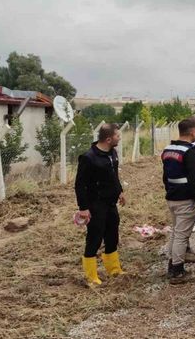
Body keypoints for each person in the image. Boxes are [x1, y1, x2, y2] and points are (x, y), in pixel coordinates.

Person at [75, 123, 126, 287]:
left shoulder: (113, 153)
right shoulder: (89, 158)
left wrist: (120, 191)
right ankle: (91, 277)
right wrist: (83, 208)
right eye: (118, 136)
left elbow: (114, 175)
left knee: (112, 235)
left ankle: (114, 269)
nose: (120, 138)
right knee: (95, 238)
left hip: (111, 202)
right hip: (95, 204)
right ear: (109, 139)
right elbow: (79, 185)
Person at [161, 118, 195, 284]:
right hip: (185, 199)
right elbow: (194, 179)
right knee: (181, 235)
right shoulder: (190, 151)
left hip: (172, 196)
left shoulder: (168, 149)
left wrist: (169, 191)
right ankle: (177, 271)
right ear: (192, 131)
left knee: (176, 232)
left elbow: (165, 176)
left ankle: (172, 266)